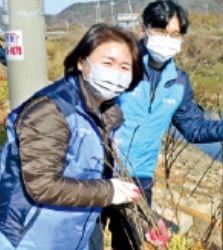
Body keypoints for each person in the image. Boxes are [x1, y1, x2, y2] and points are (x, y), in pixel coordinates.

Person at [101, 0, 223, 249]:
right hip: (99, 172)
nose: (167, 39)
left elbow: (194, 128)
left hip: (139, 179)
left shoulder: (178, 82)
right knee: (84, 240)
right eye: (161, 31)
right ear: (144, 28)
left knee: (130, 244)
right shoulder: (120, 65)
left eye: (175, 34)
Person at [0, 23, 143, 250]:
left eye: (125, 67)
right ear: (81, 63)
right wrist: (109, 191)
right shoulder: (51, 110)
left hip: (70, 235)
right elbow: (42, 185)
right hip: (29, 237)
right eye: (107, 63)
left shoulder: (107, 113)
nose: (115, 73)